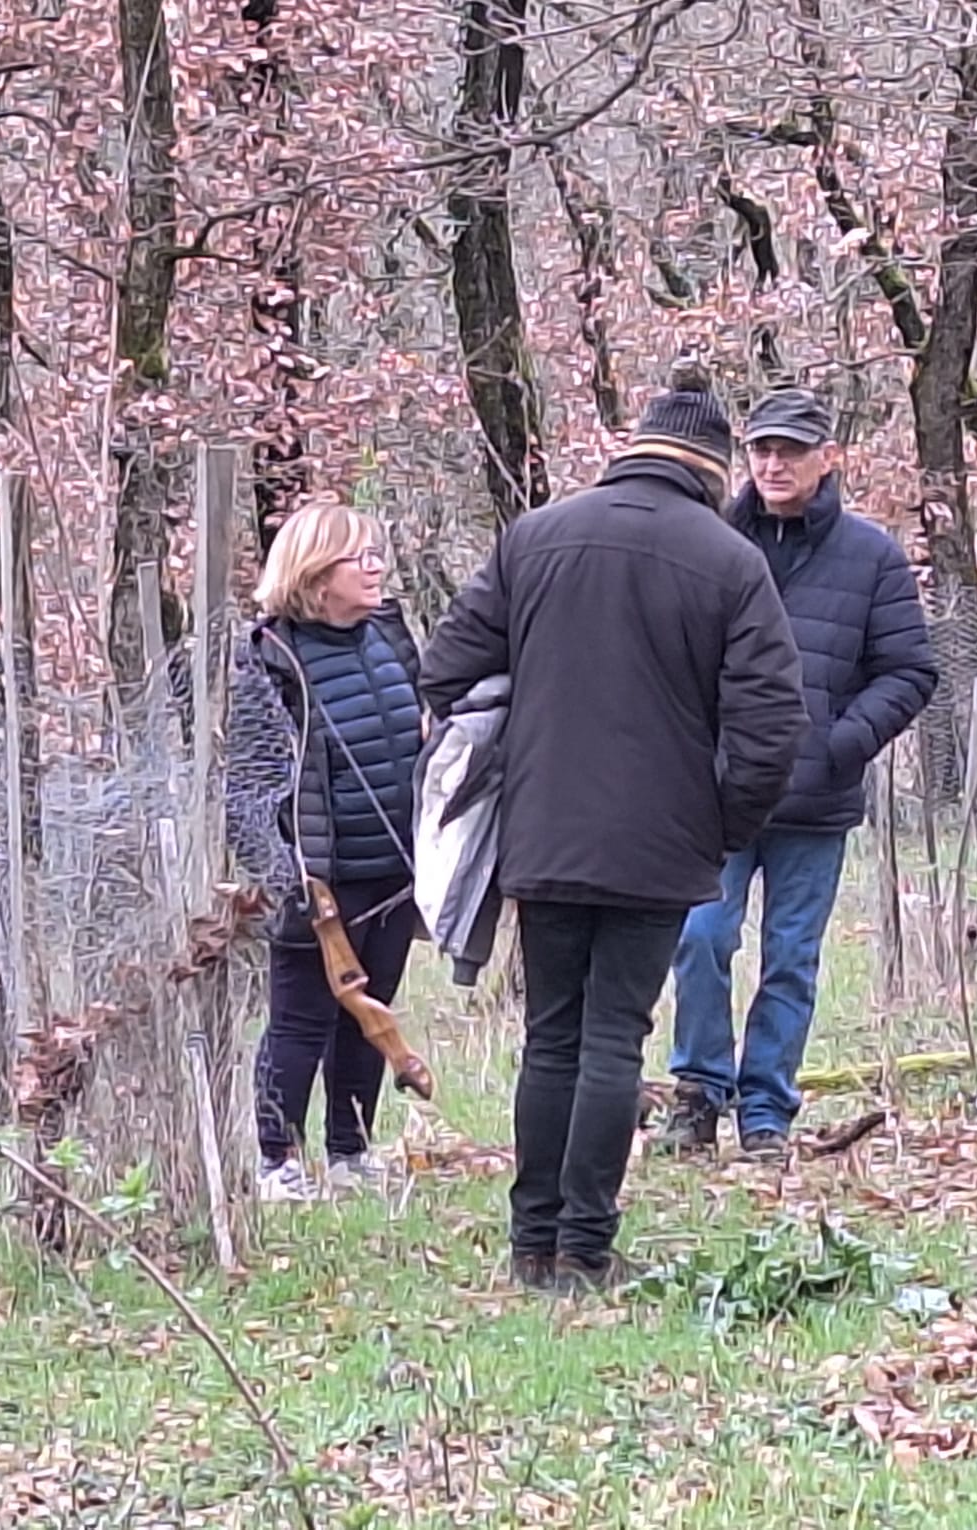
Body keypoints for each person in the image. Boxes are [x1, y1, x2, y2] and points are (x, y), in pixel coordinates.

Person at [420, 366, 808, 1293]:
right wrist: (721, 826)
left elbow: (444, 668)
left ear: (631, 449)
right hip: (660, 845)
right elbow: (772, 725)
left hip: (543, 834)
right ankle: (585, 1252)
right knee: (611, 1043)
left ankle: (531, 1249)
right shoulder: (729, 561)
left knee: (551, 1037)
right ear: (713, 471)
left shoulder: (536, 538)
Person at [661, 390, 937, 1161]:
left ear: (828, 458)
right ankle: (698, 1095)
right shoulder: (709, 541)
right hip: (713, 795)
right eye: (761, 451)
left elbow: (910, 671)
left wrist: (841, 743)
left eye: (791, 451)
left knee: (790, 958)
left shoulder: (870, 554)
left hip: (815, 801)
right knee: (701, 939)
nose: (774, 465)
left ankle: (766, 1113)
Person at [225, 499, 425, 1202]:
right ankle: (277, 1162)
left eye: (378, 554)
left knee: (371, 1014)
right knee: (300, 1024)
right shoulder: (268, 659)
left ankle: (351, 1151)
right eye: (358, 557)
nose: (375, 569)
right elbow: (244, 793)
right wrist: (289, 880)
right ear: (315, 573)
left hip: (397, 871)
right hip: (321, 881)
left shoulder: (391, 637)